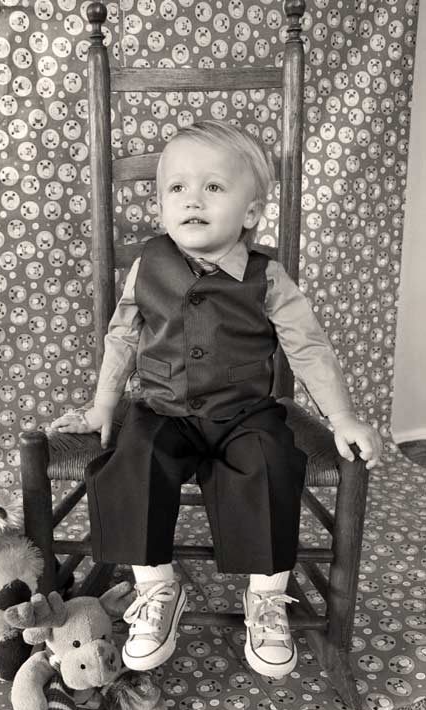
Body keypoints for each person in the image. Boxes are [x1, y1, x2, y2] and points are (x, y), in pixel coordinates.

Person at [48, 121, 382, 680]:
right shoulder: (147, 266)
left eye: (213, 188)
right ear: (160, 206)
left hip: (245, 413)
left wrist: (341, 415)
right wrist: (104, 403)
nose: (192, 199)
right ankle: (157, 588)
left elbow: (308, 346)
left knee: (271, 464)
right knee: (131, 462)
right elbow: (123, 335)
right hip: (161, 409)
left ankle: (268, 595)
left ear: (250, 213)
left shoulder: (266, 276)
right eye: (176, 189)